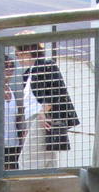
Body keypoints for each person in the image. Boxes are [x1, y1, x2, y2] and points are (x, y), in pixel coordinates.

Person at [13, 40, 77, 170]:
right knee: (46, 161)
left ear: (27, 52)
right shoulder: (27, 73)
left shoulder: (46, 65)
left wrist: (43, 112)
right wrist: (27, 126)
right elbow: (30, 101)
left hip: (42, 117)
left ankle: (30, 183)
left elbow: (56, 90)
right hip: (33, 119)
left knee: (26, 161)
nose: (17, 57)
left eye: (17, 53)